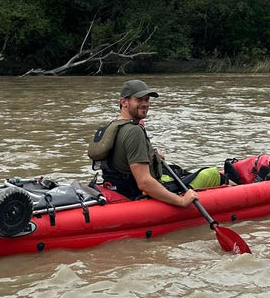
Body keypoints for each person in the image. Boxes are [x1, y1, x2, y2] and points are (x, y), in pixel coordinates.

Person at [89, 79, 219, 205]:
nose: (145, 104)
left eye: (147, 99)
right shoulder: (134, 131)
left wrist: (152, 155)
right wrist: (181, 200)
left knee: (173, 169)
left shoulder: (112, 127)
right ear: (124, 102)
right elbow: (144, 182)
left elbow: (124, 158)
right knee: (212, 174)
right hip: (137, 193)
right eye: (139, 99)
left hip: (119, 187)